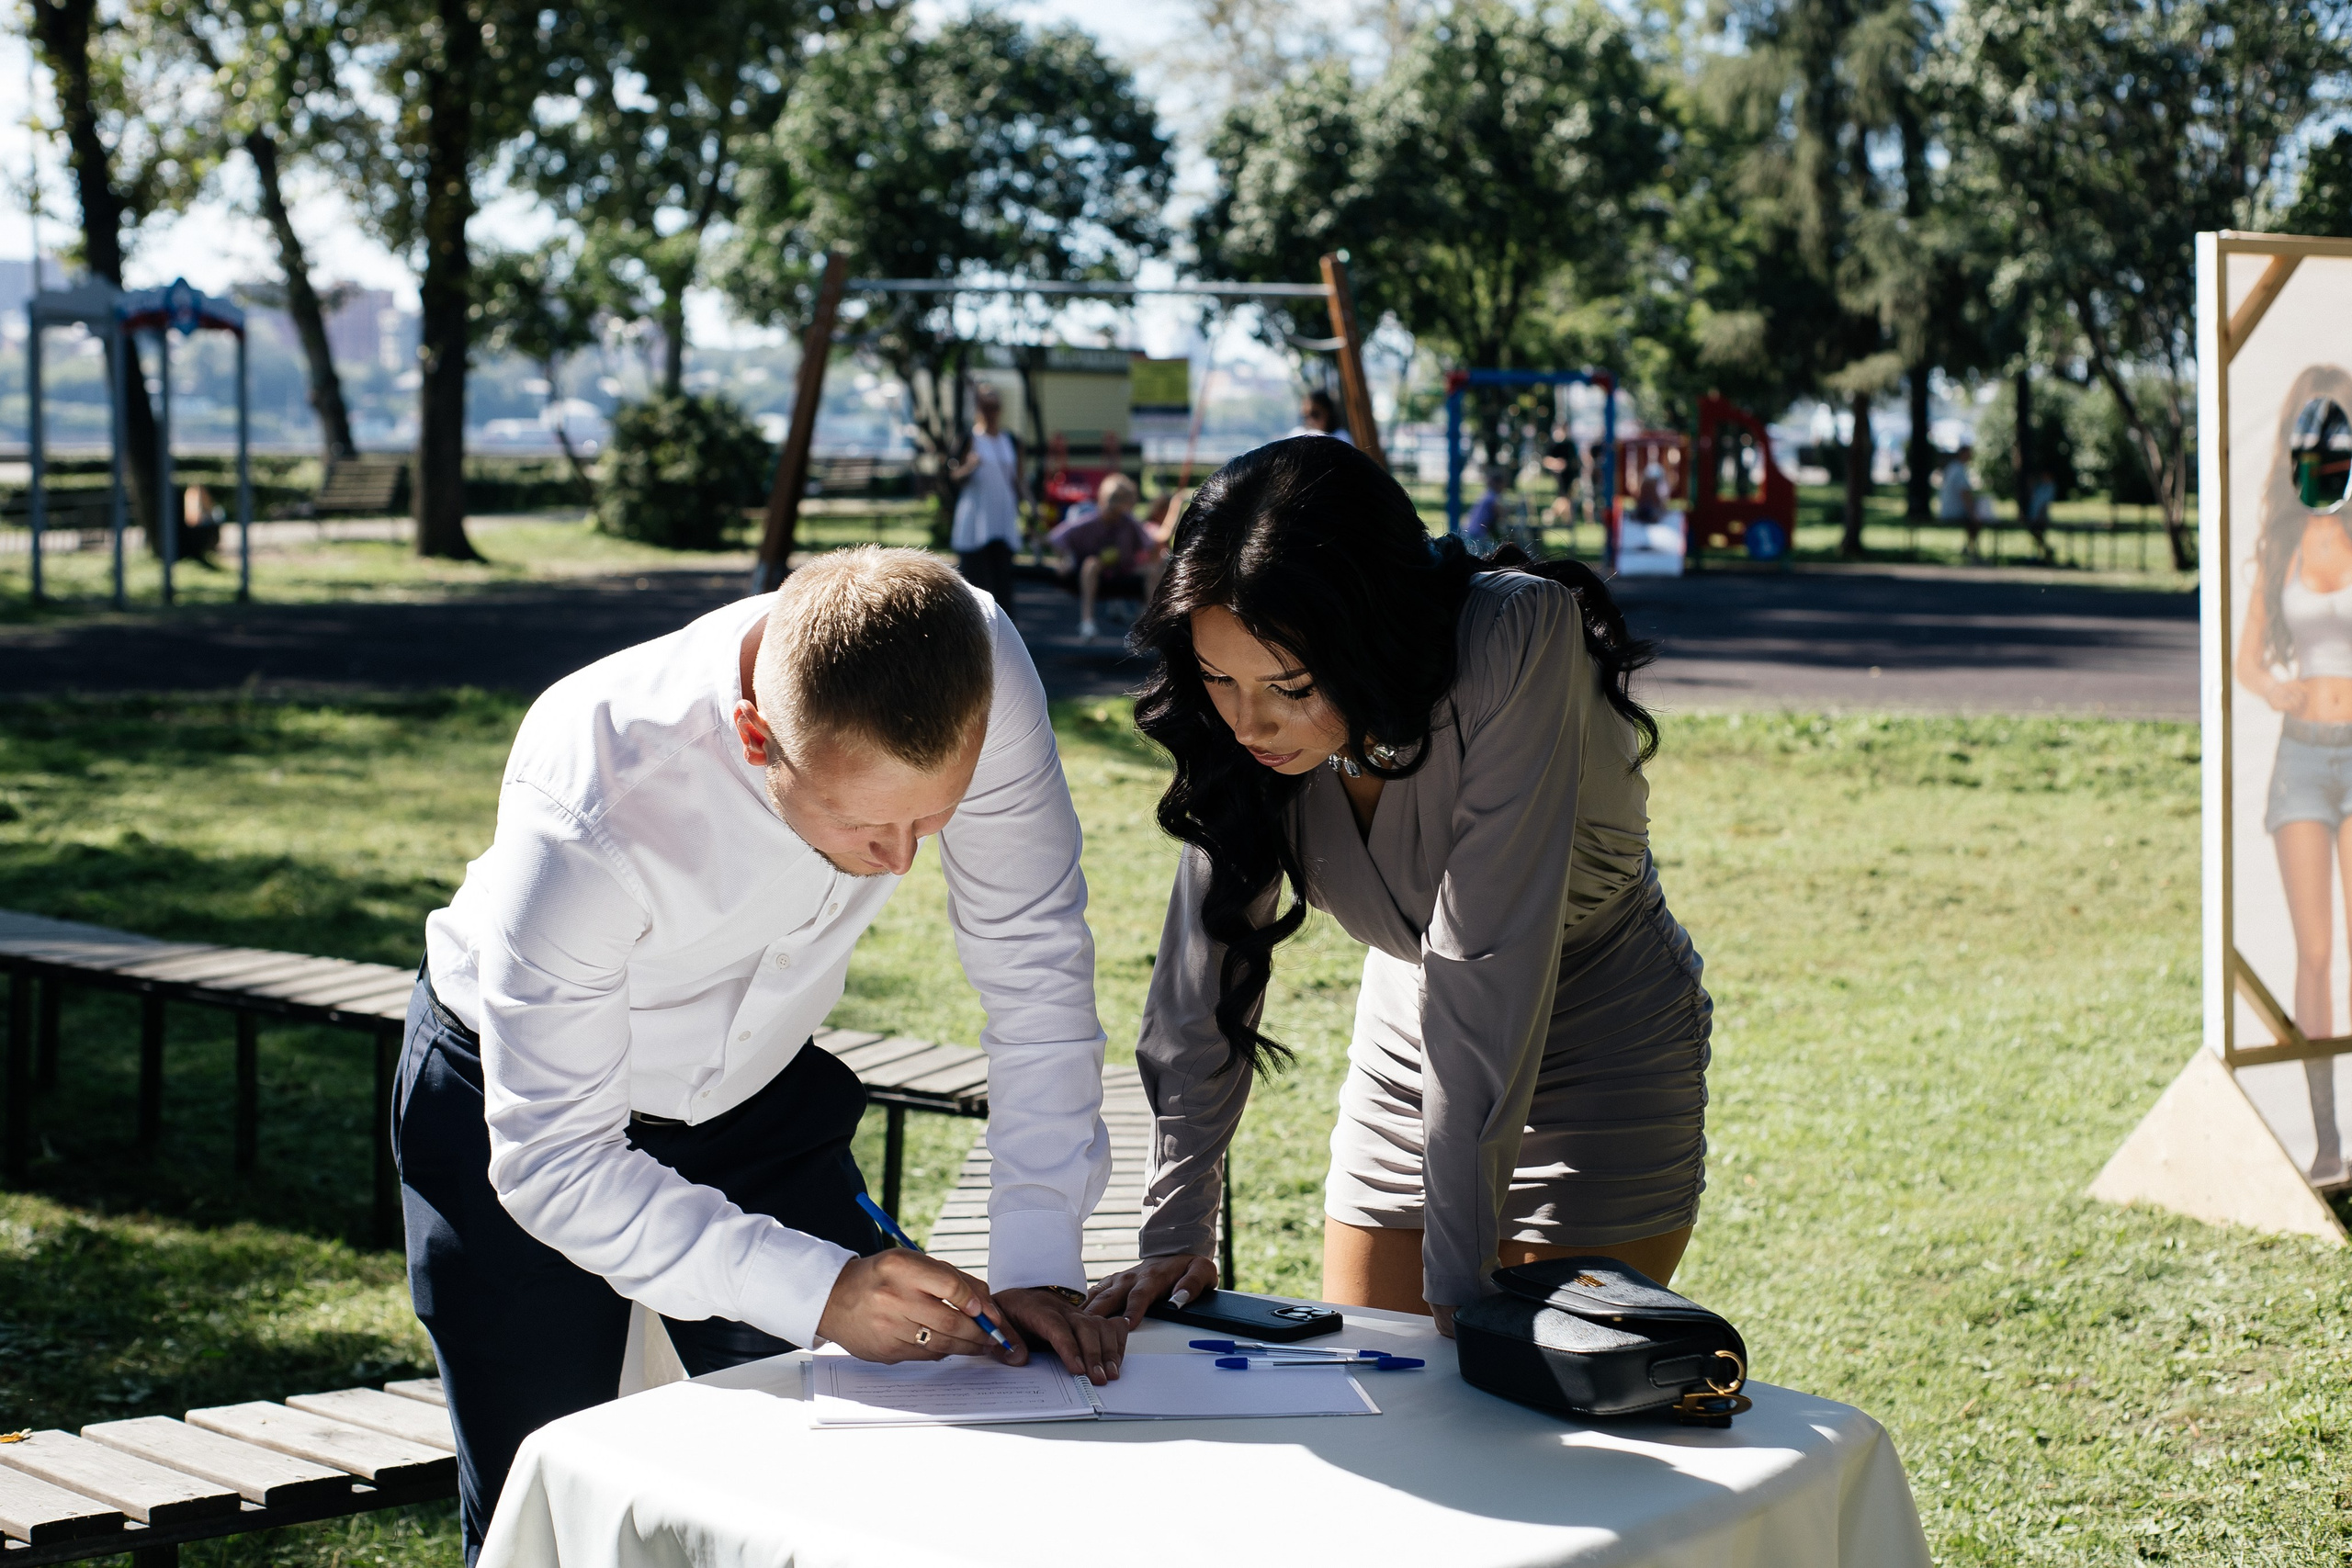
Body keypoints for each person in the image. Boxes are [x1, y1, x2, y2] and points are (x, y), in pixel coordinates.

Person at [401, 547, 1125, 1561]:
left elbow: (1034, 965)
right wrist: (820, 1293)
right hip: (514, 1108)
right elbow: (555, 1166)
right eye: (864, 822)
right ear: (754, 736)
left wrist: (1040, 1260)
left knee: (872, 1467)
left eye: (935, 813)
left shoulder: (976, 666)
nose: (903, 859)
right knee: (546, 1498)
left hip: (758, 1093)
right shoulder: (591, 801)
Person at [1082, 436, 1713, 1337]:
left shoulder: (1517, 634)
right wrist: (1174, 1231)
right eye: (1217, 677)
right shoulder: (1244, 721)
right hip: (1411, 1036)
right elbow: (1200, 973)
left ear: (1369, 632)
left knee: (1523, 1411)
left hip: (1596, 1048)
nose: (1247, 719)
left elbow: (1484, 961)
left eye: (1288, 686)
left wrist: (1463, 1301)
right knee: (1379, 1381)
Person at [2234, 393, 2352, 1188]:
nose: (2328, 472)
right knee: (2314, 954)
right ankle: (2326, 1140)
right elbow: (2246, 659)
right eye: (2316, 460)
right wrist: (2273, 686)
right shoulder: (2278, 549)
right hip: (2303, 759)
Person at [1047, 473, 1160, 640]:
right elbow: (1056, 538)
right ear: (1102, 499)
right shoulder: (1088, 522)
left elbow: (1150, 544)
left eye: (1120, 500)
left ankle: (1147, 622)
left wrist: (1151, 561)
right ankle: (1087, 622)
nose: (1113, 507)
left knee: (1155, 570)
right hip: (1098, 572)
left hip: (1124, 569)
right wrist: (1067, 559)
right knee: (1091, 564)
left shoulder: (1129, 523)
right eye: (1112, 499)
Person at [949, 385, 1023, 609]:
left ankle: (1006, 638)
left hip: (1001, 520)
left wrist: (1030, 507)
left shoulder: (1010, 440)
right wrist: (970, 466)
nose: (991, 412)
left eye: (995, 407)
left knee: (1003, 584)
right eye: (986, 407)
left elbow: (1018, 479)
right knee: (976, 584)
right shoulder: (969, 438)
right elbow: (953, 475)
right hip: (976, 522)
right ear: (978, 408)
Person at [1938, 443, 1996, 558]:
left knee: (1974, 520)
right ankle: (1973, 550)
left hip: (1947, 508)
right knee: (1976, 520)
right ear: (1963, 454)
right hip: (1953, 511)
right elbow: (1965, 494)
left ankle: (1969, 547)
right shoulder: (1959, 470)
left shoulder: (1953, 467)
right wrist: (1973, 513)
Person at [1542, 423, 1582, 531]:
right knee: (1564, 499)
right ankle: (1552, 516)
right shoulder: (1553, 444)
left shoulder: (1570, 444)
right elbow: (1546, 460)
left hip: (1570, 476)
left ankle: (1567, 524)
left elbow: (1575, 461)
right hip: (1559, 478)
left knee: (1567, 500)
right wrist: (1556, 464)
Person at [1286, 389, 1355, 446]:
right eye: (1305, 416)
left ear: (1328, 413)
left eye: (1315, 414)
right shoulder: (1296, 435)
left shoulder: (1341, 437)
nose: (1310, 420)